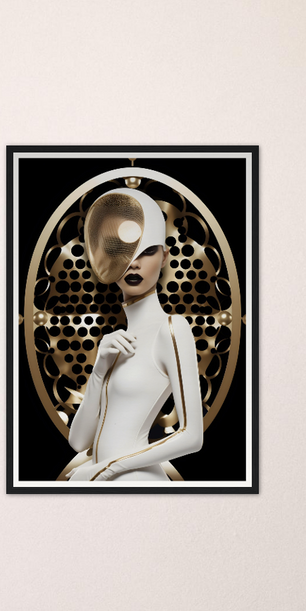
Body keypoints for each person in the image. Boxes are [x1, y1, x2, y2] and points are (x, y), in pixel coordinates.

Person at [65, 185, 203, 483]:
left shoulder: (172, 329)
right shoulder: (117, 342)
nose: (135, 262)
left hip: (137, 482)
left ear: (164, 257)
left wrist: (107, 468)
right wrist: (99, 370)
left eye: (148, 251)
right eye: (124, 250)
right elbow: (78, 442)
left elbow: (193, 436)